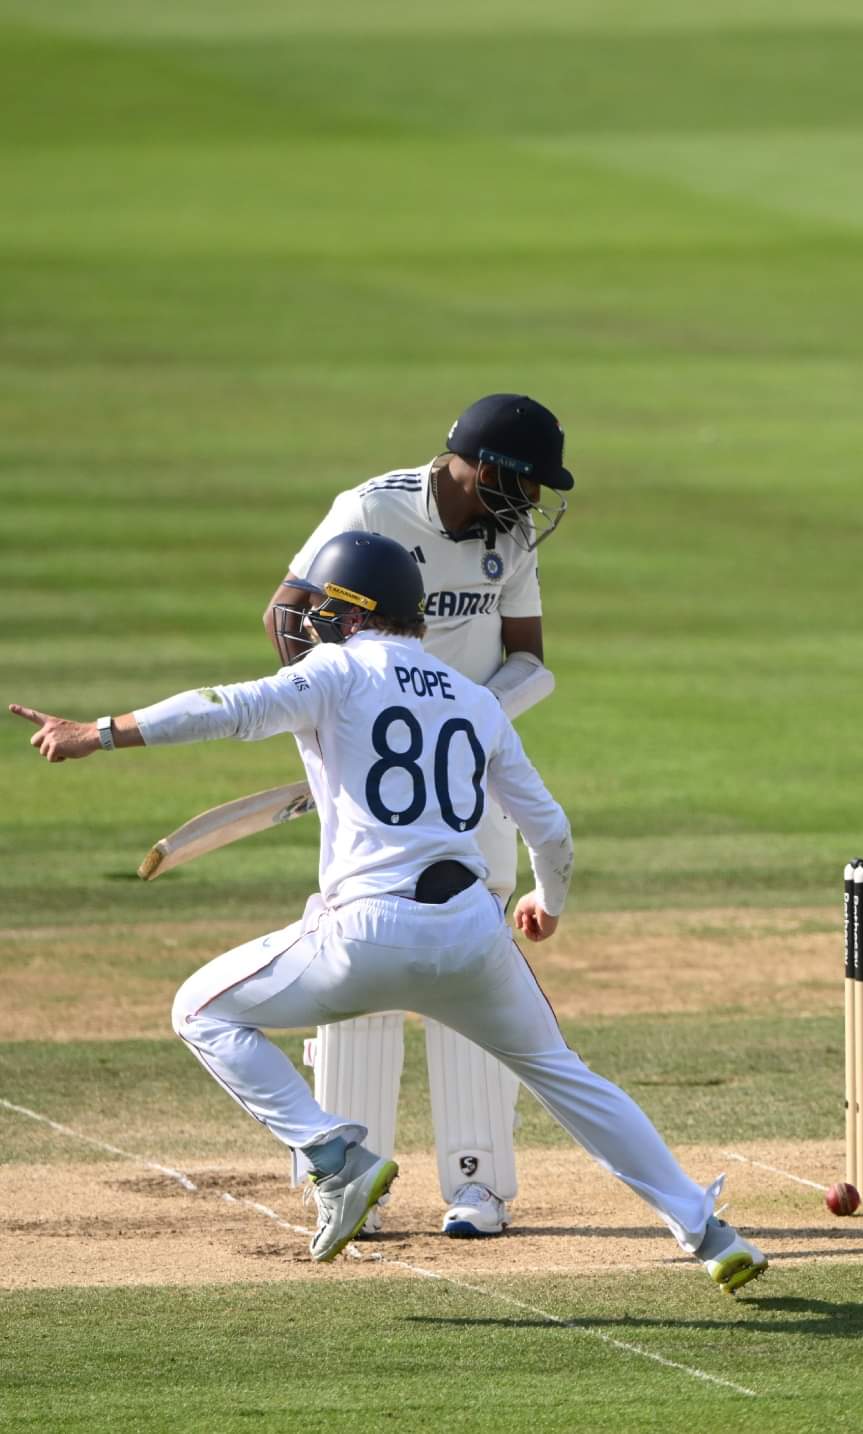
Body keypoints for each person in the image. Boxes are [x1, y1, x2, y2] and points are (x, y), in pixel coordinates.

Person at [12, 531, 765, 1292]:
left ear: (350, 611)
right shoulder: (475, 699)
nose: (308, 620)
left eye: (321, 606)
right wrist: (549, 901)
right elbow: (552, 830)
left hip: (365, 934)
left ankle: (335, 1157)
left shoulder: (333, 672)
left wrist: (96, 735)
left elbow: (224, 708)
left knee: (199, 1010)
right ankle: (708, 1232)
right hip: (473, 933)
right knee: (569, 1079)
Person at [260, 393, 576, 1239]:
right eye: (527, 482)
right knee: (356, 970)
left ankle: (478, 1188)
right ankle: (351, 1184)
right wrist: (336, 726)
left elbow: (530, 663)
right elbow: (286, 616)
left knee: (474, 976)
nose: (535, 505)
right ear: (480, 466)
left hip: (467, 787)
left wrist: (464, 723)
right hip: (376, 794)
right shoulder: (372, 510)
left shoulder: (508, 538)